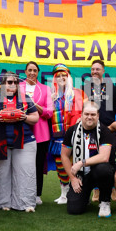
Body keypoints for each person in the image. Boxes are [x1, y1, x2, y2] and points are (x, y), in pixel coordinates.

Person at [0, 72, 39, 212]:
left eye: (14, 82)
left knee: (25, 172)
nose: (12, 85)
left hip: (24, 141)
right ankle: (2, 204)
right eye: (9, 82)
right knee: (1, 173)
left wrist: (24, 117)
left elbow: (35, 117)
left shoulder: (25, 98)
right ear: (2, 85)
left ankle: (25, 204)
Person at [60, 100, 116, 217]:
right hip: (81, 175)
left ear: (98, 115)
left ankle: (105, 201)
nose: (89, 117)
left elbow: (104, 157)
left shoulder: (105, 131)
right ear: (81, 115)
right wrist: (73, 178)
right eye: (86, 114)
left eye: (93, 114)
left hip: (99, 172)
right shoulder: (72, 130)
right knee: (74, 209)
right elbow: (64, 155)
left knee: (103, 169)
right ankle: (85, 198)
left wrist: (81, 163)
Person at [19, 61, 54, 205]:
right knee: (22, 165)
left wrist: (34, 104)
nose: (32, 73)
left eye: (35, 70)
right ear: (25, 72)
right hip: (21, 132)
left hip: (41, 134)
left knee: (38, 164)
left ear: (38, 72)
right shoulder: (18, 87)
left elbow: (49, 113)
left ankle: (37, 194)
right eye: (29, 70)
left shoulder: (45, 89)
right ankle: (22, 192)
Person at [49, 63, 85, 204]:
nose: (62, 78)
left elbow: (84, 114)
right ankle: (63, 193)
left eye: (64, 75)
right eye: (59, 76)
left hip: (75, 136)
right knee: (60, 165)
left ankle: (78, 191)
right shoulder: (52, 96)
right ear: (55, 79)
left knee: (75, 164)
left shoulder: (78, 93)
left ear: (69, 77)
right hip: (57, 137)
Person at [84, 59, 116, 127]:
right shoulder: (85, 88)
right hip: (91, 127)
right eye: (93, 69)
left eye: (97, 69)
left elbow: (115, 107)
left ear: (103, 71)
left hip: (109, 127)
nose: (95, 71)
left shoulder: (112, 88)